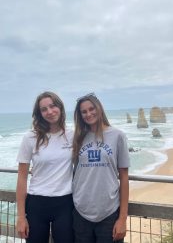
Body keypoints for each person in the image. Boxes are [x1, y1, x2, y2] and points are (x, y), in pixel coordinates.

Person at [16, 91, 74, 243]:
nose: (49, 111)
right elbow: (22, 178)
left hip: (65, 203)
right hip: (37, 203)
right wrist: (21, 217)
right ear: (39, 113)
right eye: (44, 109)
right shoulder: (30, 137)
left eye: (53, 106)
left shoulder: (73, 135)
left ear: (60, 107)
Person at [72, 93, 130, 243]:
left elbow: (124, 177)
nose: (88, 114)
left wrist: (122, 218)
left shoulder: (117, 136)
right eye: (83, 112)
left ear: (99, 108)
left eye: (91, 109)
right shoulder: (78, 137)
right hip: (80, 211)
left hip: (108, 212)